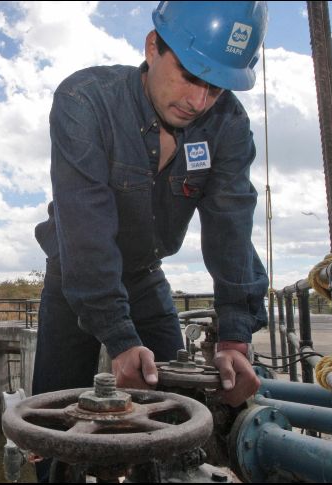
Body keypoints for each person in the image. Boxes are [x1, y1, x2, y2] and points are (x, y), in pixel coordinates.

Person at [33, 0, 269, 418]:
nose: (199, 101)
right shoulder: (84, 100)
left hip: (144, 273)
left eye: (216, 87)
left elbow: (231, 228)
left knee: (177, 409)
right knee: (54, 417)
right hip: (73, 272)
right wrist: (121, 340)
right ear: (152, 47)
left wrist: (235, 339)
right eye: (190, 75)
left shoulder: (228, 124)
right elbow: (86, 232)